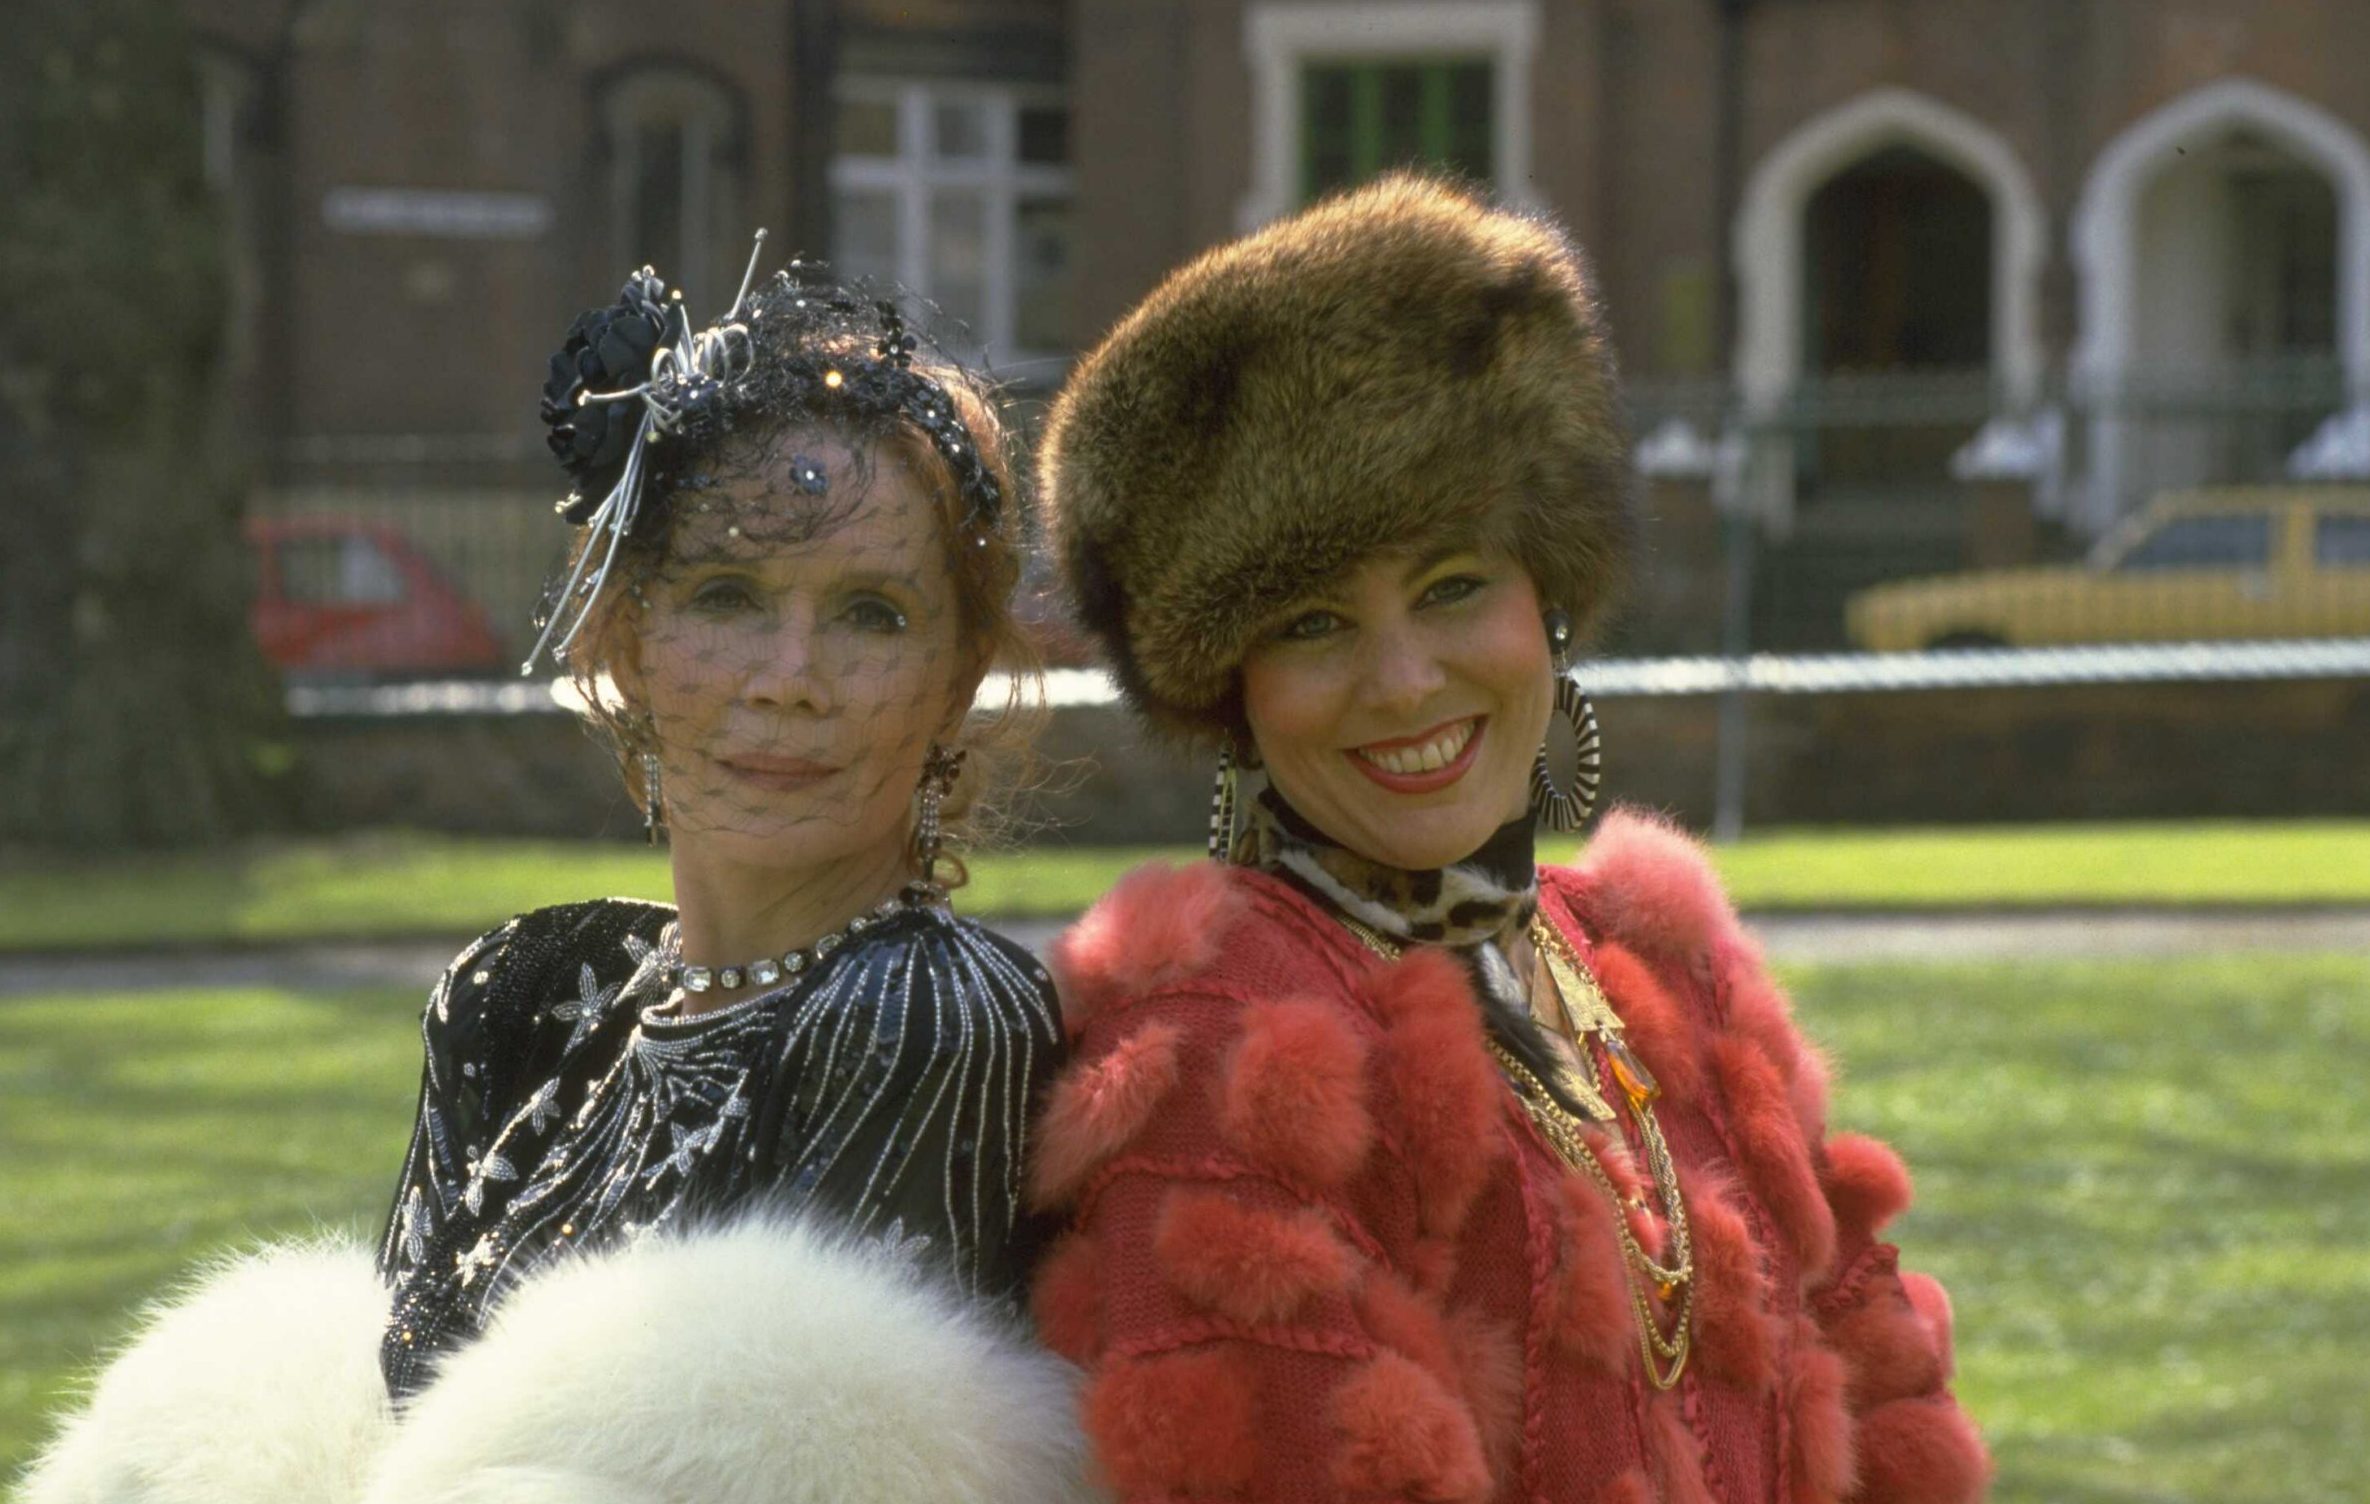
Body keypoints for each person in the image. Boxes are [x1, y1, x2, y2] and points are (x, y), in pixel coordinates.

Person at [22, 248, 1090, 1504]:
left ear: (959, 676)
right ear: (624, 636)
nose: (788, 675)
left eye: (870, 614)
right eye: (728, 594)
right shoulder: (524, 993)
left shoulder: (929, 1013)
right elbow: (379, 1411)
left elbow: (819, 1457)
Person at [1025, 175, 1989, 1504]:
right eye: (1311, 623)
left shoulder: (1670, 980)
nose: (1406, 680)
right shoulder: (1227, 1053)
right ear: (1228, 686)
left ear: (1547, 594)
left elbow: (1885, 1398)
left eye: (1452, 586)